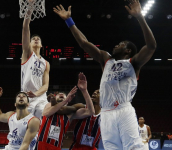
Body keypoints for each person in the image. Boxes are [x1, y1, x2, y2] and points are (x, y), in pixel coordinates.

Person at [53, 0, 156, 149]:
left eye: (120, 44)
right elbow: (83, 42)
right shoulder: (105, 59)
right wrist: (69, 20)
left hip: (123, 109)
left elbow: (152, 46)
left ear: (128, 51)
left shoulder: (134, 63)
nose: (116, 45)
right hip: (106, 113)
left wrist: (140, 17)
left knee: (134, 147)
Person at [34, 73, 95, 150]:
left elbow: (90, 111)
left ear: (69, 100)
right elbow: (46, 114)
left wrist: (84, 90)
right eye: (59, 94)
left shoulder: (70, 114)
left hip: (57, 147)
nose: (61, 94)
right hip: (42, 144)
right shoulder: (49, 105)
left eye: (64, 95)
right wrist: (65, 100)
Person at [21, 0, 50, 119]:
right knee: (26, 127)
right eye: (34, 39)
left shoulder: (46, 63)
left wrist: (37, 94)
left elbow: (45, 85)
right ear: (30, 43)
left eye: (38, 38)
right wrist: (30, 7)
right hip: (27, 97)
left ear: (41, 45)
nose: (36, 39)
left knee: (44, 120)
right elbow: (25, 28)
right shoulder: (27, 54)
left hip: (41, 97)